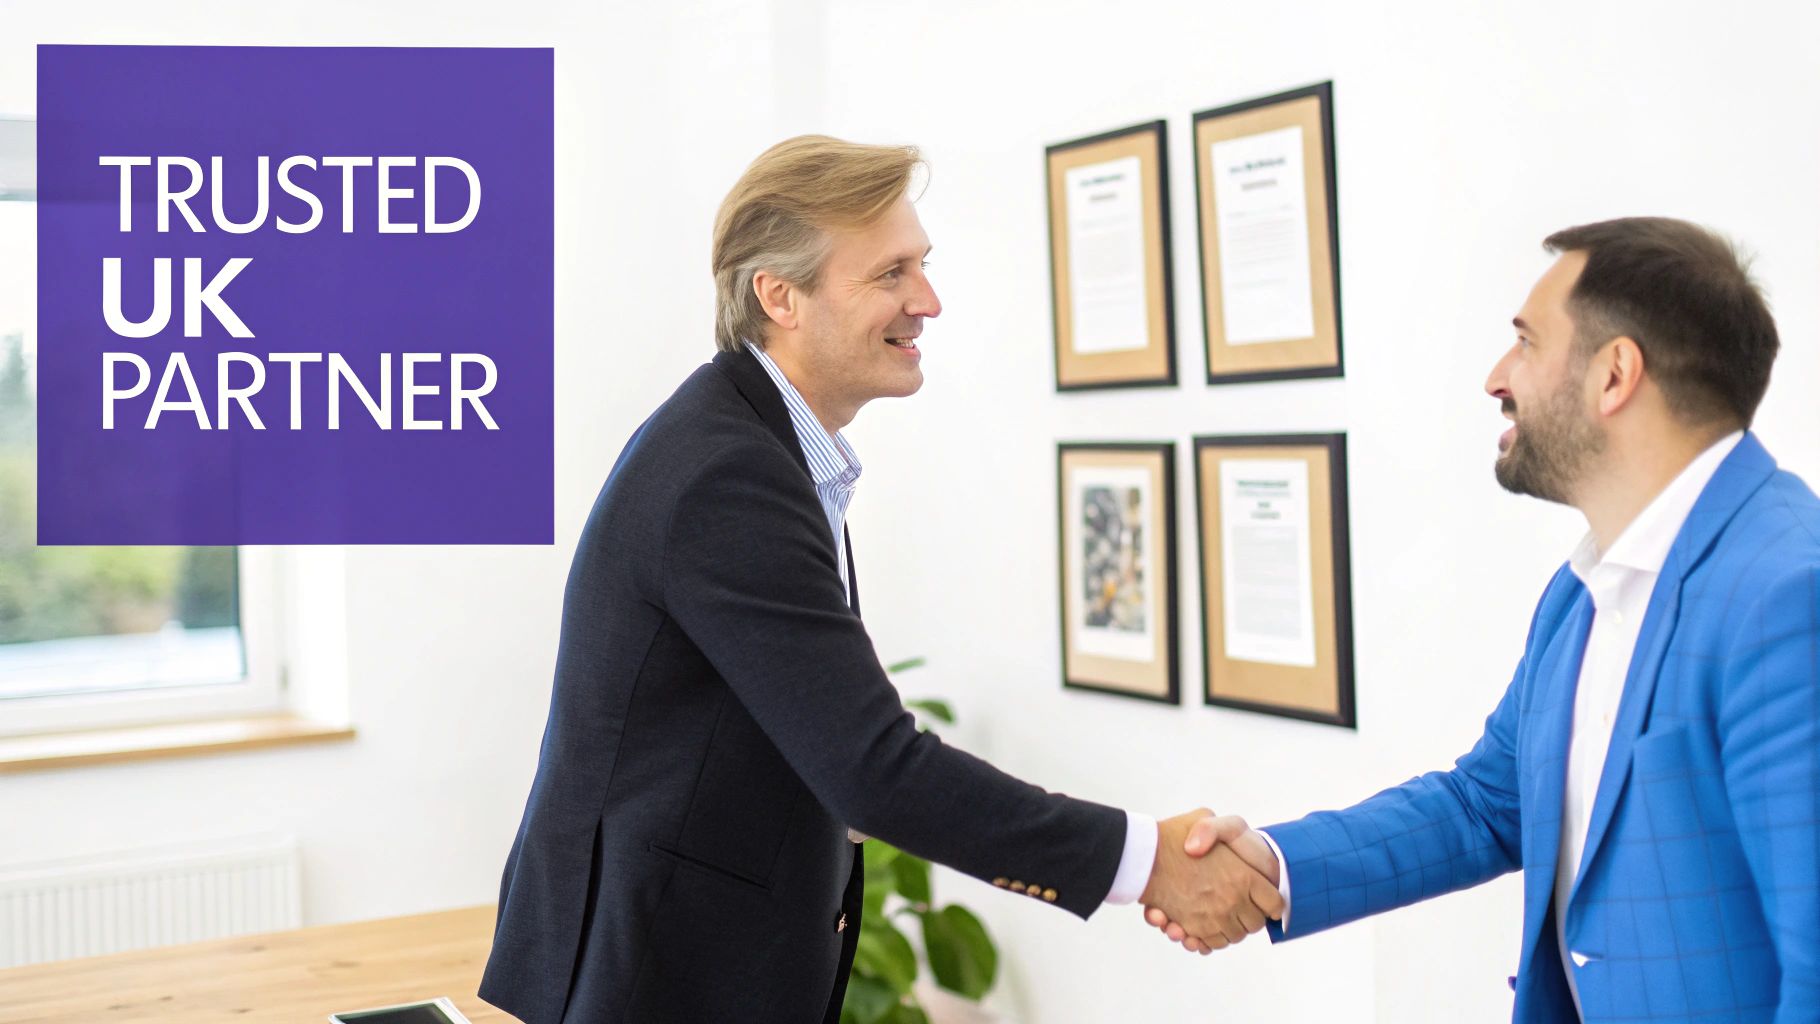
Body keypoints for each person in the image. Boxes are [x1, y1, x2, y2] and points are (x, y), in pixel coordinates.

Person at [478, 135, 1282, 1024]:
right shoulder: (728, 475)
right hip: (658, 980)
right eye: (891, 273)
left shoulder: (760, 446)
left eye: (923, 265)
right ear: (778, 296)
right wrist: (1144, 858)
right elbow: (873, 769)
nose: (927, 300)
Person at [1147, 217, 1819, 1023]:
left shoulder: (1786, 597)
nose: (1498, 377)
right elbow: (1485, 804)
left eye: (1527, 344)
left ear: (1615, 375)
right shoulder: (1585, 586)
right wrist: (1273, 865)